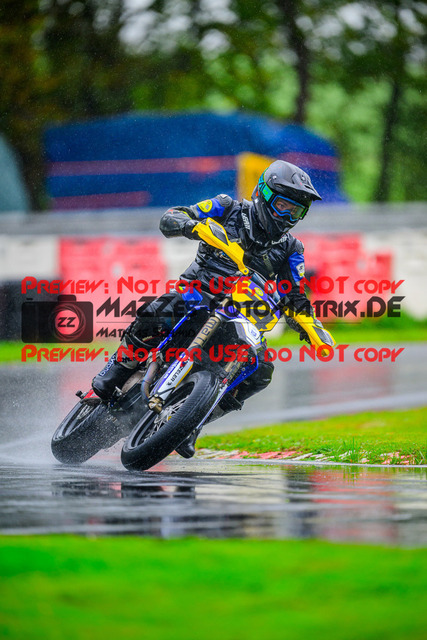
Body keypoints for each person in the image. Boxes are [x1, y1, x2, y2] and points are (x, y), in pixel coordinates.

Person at [92, 160, 323, 457]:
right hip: (198, 292)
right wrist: (192, 226)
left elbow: (296, 293)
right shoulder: (226, 207)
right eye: (283, 206)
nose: (288, 217)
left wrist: (310, 325)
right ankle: (117, 369)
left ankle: (193, 422)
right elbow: (172, 216)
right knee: (158, 313)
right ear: (263, 194)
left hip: (241, 317)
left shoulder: (292, 249)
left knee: (261, 372)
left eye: (296, 211)